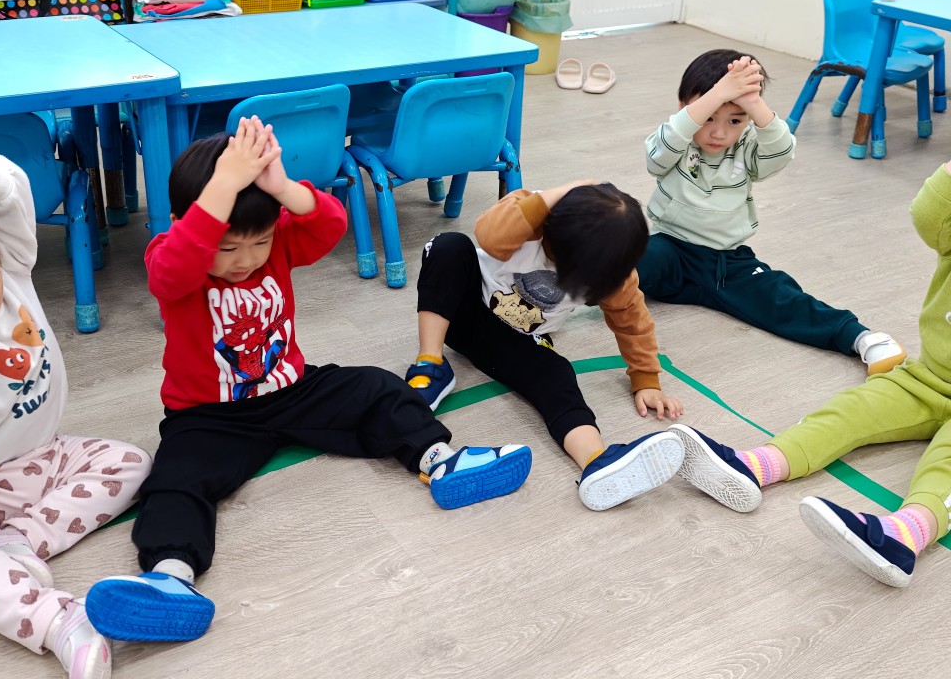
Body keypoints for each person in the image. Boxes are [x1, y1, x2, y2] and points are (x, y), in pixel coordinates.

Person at [84, 117, 531, 643]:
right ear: (191, 224)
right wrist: (223, 186)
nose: (245, 260)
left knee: (377, 387)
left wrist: (280, 186)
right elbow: (170, 272)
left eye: (258, 242)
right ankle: (170, 576)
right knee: (173, 481)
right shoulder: (172, 252)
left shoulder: (277, 241)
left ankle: (440, 460)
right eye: (227, 248)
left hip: (293, 389)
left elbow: (330, 223)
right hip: (209, 416)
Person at [657, 159, 951, 588]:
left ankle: (904, 535)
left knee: (946, 463)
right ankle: (756, 466)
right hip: (930, 377)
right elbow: (929, 214)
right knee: (851, 409)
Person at [0, 148, 152, 679]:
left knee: (133, 463)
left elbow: (9, 186)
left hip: (46, 456)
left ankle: (22, 538)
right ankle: (58, 622)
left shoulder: (14, 270)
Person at [404, 178, 686, 512]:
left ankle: (596, 460)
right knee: (448, 246)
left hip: (517, 342)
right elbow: (488, 234)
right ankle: (430, 363)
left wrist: (646, 378)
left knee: (557, 374)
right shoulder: (529, 216)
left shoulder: (612, 269)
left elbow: (632, 319)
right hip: (458, 311)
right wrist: (556, 196)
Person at [637, 48, 905, 375]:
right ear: (685, 108)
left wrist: (753, 103)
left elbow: (781, 150)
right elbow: (657, 156)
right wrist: (717, 94)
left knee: (780, 296)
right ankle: (575, 291)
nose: (719, 133)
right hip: (671, 247)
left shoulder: (748, 145)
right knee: (627, 258)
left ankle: (860, 338)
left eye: (735, 120)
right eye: (708, 117)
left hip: (728, 262)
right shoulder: (675, 139)